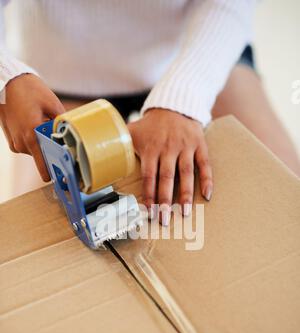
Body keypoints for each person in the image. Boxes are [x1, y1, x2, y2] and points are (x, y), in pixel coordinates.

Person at [0, 0, 299, 225]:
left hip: (194, 51)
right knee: (40, 227)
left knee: (286, 199)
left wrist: (182, 100)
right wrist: (7, 79)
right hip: (60, 74)